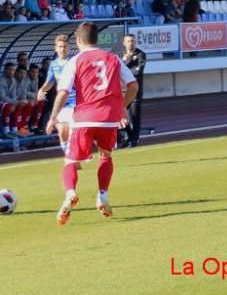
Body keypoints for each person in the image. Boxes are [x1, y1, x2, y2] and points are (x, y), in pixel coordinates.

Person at [46, 22, 139, 224]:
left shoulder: (75, 61)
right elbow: (133, 86)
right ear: (97, 39)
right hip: (108, 118)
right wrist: (121, 107)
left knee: (70, 161)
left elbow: (63, 92)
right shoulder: (113, 59)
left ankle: (71, 193)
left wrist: (54, 116)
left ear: (79, 40)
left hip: (84, 118)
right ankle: (102, 196)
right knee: (106, 155)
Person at [37, 34, 75, 153]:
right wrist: (42, 90)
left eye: (65, 46)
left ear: (68, 48)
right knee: (62, 131)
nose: (62, 49)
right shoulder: (53, 64)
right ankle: (71, 155)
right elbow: (50, 81)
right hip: (62, 102)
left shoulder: (74, 62)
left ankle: (75, 154)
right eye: (60, 46)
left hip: (76, 101)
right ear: (56, 48)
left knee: (73, 130)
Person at [121, 34, 148, 147]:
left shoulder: (141, 54)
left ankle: (135, 139)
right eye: (128, 41)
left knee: (135, 116)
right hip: (123, 91)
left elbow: (138, 71)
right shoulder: (120, 55)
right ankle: (130, 135)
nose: (130, 43)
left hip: (135, 91)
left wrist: (125, 67)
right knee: (121, 114)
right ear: (124, 43)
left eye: (132, 41)